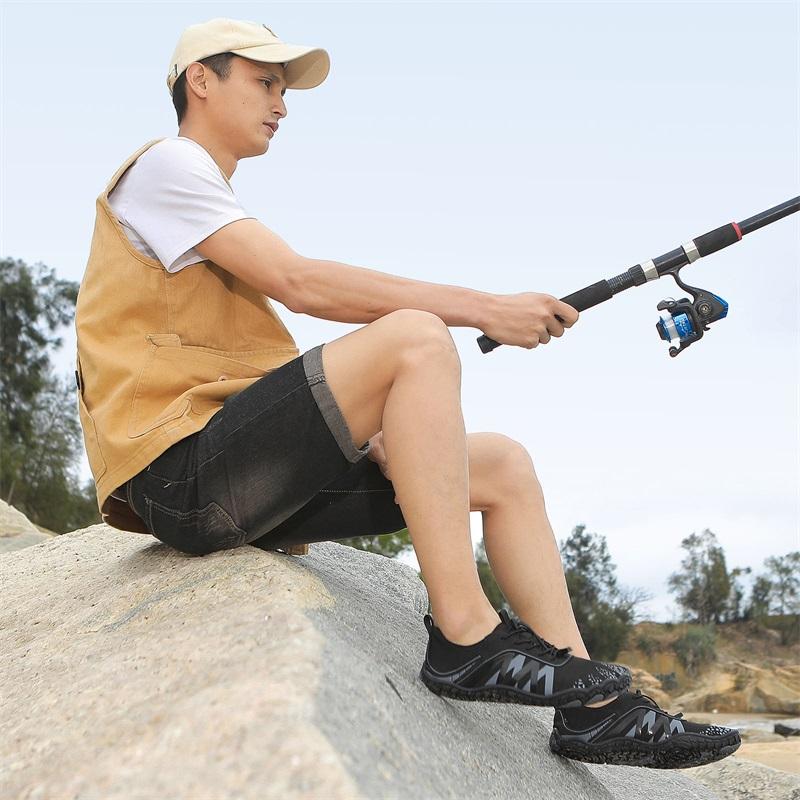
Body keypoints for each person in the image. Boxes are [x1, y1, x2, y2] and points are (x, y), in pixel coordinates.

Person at [74, 17, 741, 769]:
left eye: (283, 90)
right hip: (181, 478)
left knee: (504, 467)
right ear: (201, 79)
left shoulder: (204, 204)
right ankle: (464, 634)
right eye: (265, 82)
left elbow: (246, 377)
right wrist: (484, 307)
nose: (282, 105)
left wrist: (371, 429)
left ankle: (597, 713)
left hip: (236, 476)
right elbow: (301, 282)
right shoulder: (167, 167)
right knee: (419, 336)